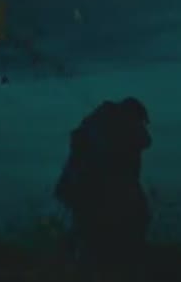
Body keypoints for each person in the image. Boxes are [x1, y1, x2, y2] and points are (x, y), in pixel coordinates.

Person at [54, 97, 152, 265]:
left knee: (89, 232)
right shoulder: (114, 129)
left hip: (81, 188)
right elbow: (143, 141)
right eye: (140, 122)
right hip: (92, 189)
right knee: (99, 231)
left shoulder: (97, 123)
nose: (141, 126)